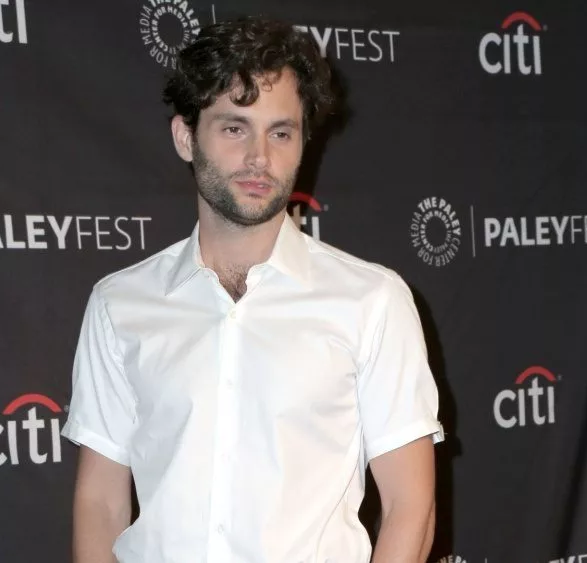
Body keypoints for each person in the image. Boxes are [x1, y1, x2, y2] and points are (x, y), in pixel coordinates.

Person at [62, 15, 444, 563]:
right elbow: (100, 502)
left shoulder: (372, 301)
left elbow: (411, 507)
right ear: (185, 137)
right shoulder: (119, 304)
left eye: (280, 132)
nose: (260, 157)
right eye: (235, 128)